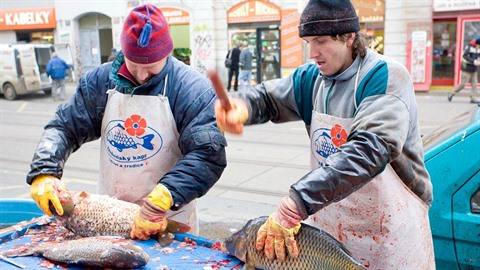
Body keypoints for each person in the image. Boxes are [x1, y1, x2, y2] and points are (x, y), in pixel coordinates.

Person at [214, 0, 435, 268]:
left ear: (349, 37)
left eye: (321, 41)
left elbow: (368, 151)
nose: (312, 53)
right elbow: (268, 98)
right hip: (329, 224)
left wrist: (297, 202)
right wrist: (243, 107)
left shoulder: (385, 77)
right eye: (308, 41)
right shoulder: (310, 79)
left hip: (389, 231)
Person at [27, 4, 227, 239]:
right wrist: (44, 170)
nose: (142, 76)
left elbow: (207, 154)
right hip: (106, 217)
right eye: (134, 66)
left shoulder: (192, 90)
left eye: (151, 69)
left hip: (167, 219)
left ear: (166, 54)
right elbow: (64, 127)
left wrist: (164, 196)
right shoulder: (99, 82)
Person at [448, 38, 480, 104]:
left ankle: (473, 98)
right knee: (463, 84)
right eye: (479, 45)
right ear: (476, 44)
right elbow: (465, 56)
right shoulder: (469, 47)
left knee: (474, 84)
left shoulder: (478, 48)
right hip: (467, 68)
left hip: (474, 68)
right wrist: (473, 61)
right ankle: (451, 93)